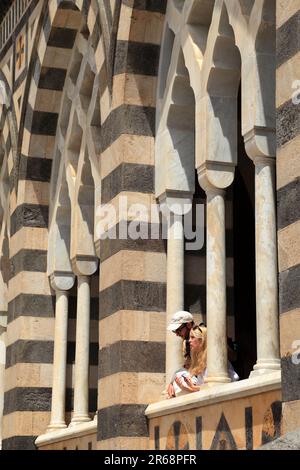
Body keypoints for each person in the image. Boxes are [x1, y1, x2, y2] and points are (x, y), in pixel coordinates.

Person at [172, 324, 239, 395]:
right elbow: (203, 388)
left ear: (202, 340)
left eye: (192, 337)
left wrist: (191, 388)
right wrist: (188, 387)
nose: (189, 341)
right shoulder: (200, 360)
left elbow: (214, 387)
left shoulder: (212, 358)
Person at [166, 311, 195, 398]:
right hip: (195, 377)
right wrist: (171, 381)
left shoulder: (202, 337)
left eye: (178, 330)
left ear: (189, 325)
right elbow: (187, 365)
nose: (177, 334)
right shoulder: (186, 342)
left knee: (180, 383)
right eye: (175, 331)